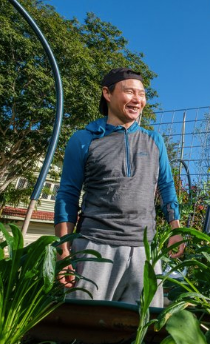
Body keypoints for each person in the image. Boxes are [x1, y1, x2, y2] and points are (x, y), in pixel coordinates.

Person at [54, 67, 184, 307]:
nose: (138, 100)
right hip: (95, 248)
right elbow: (67, 195)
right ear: (107, 93)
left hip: (145, 251)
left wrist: (176, 229)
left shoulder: (154, 141)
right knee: (86, 326)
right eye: (130, 92)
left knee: (140, 328)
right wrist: (64, 249)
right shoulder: (84, 139)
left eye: (142, 94)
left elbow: (166, 186)